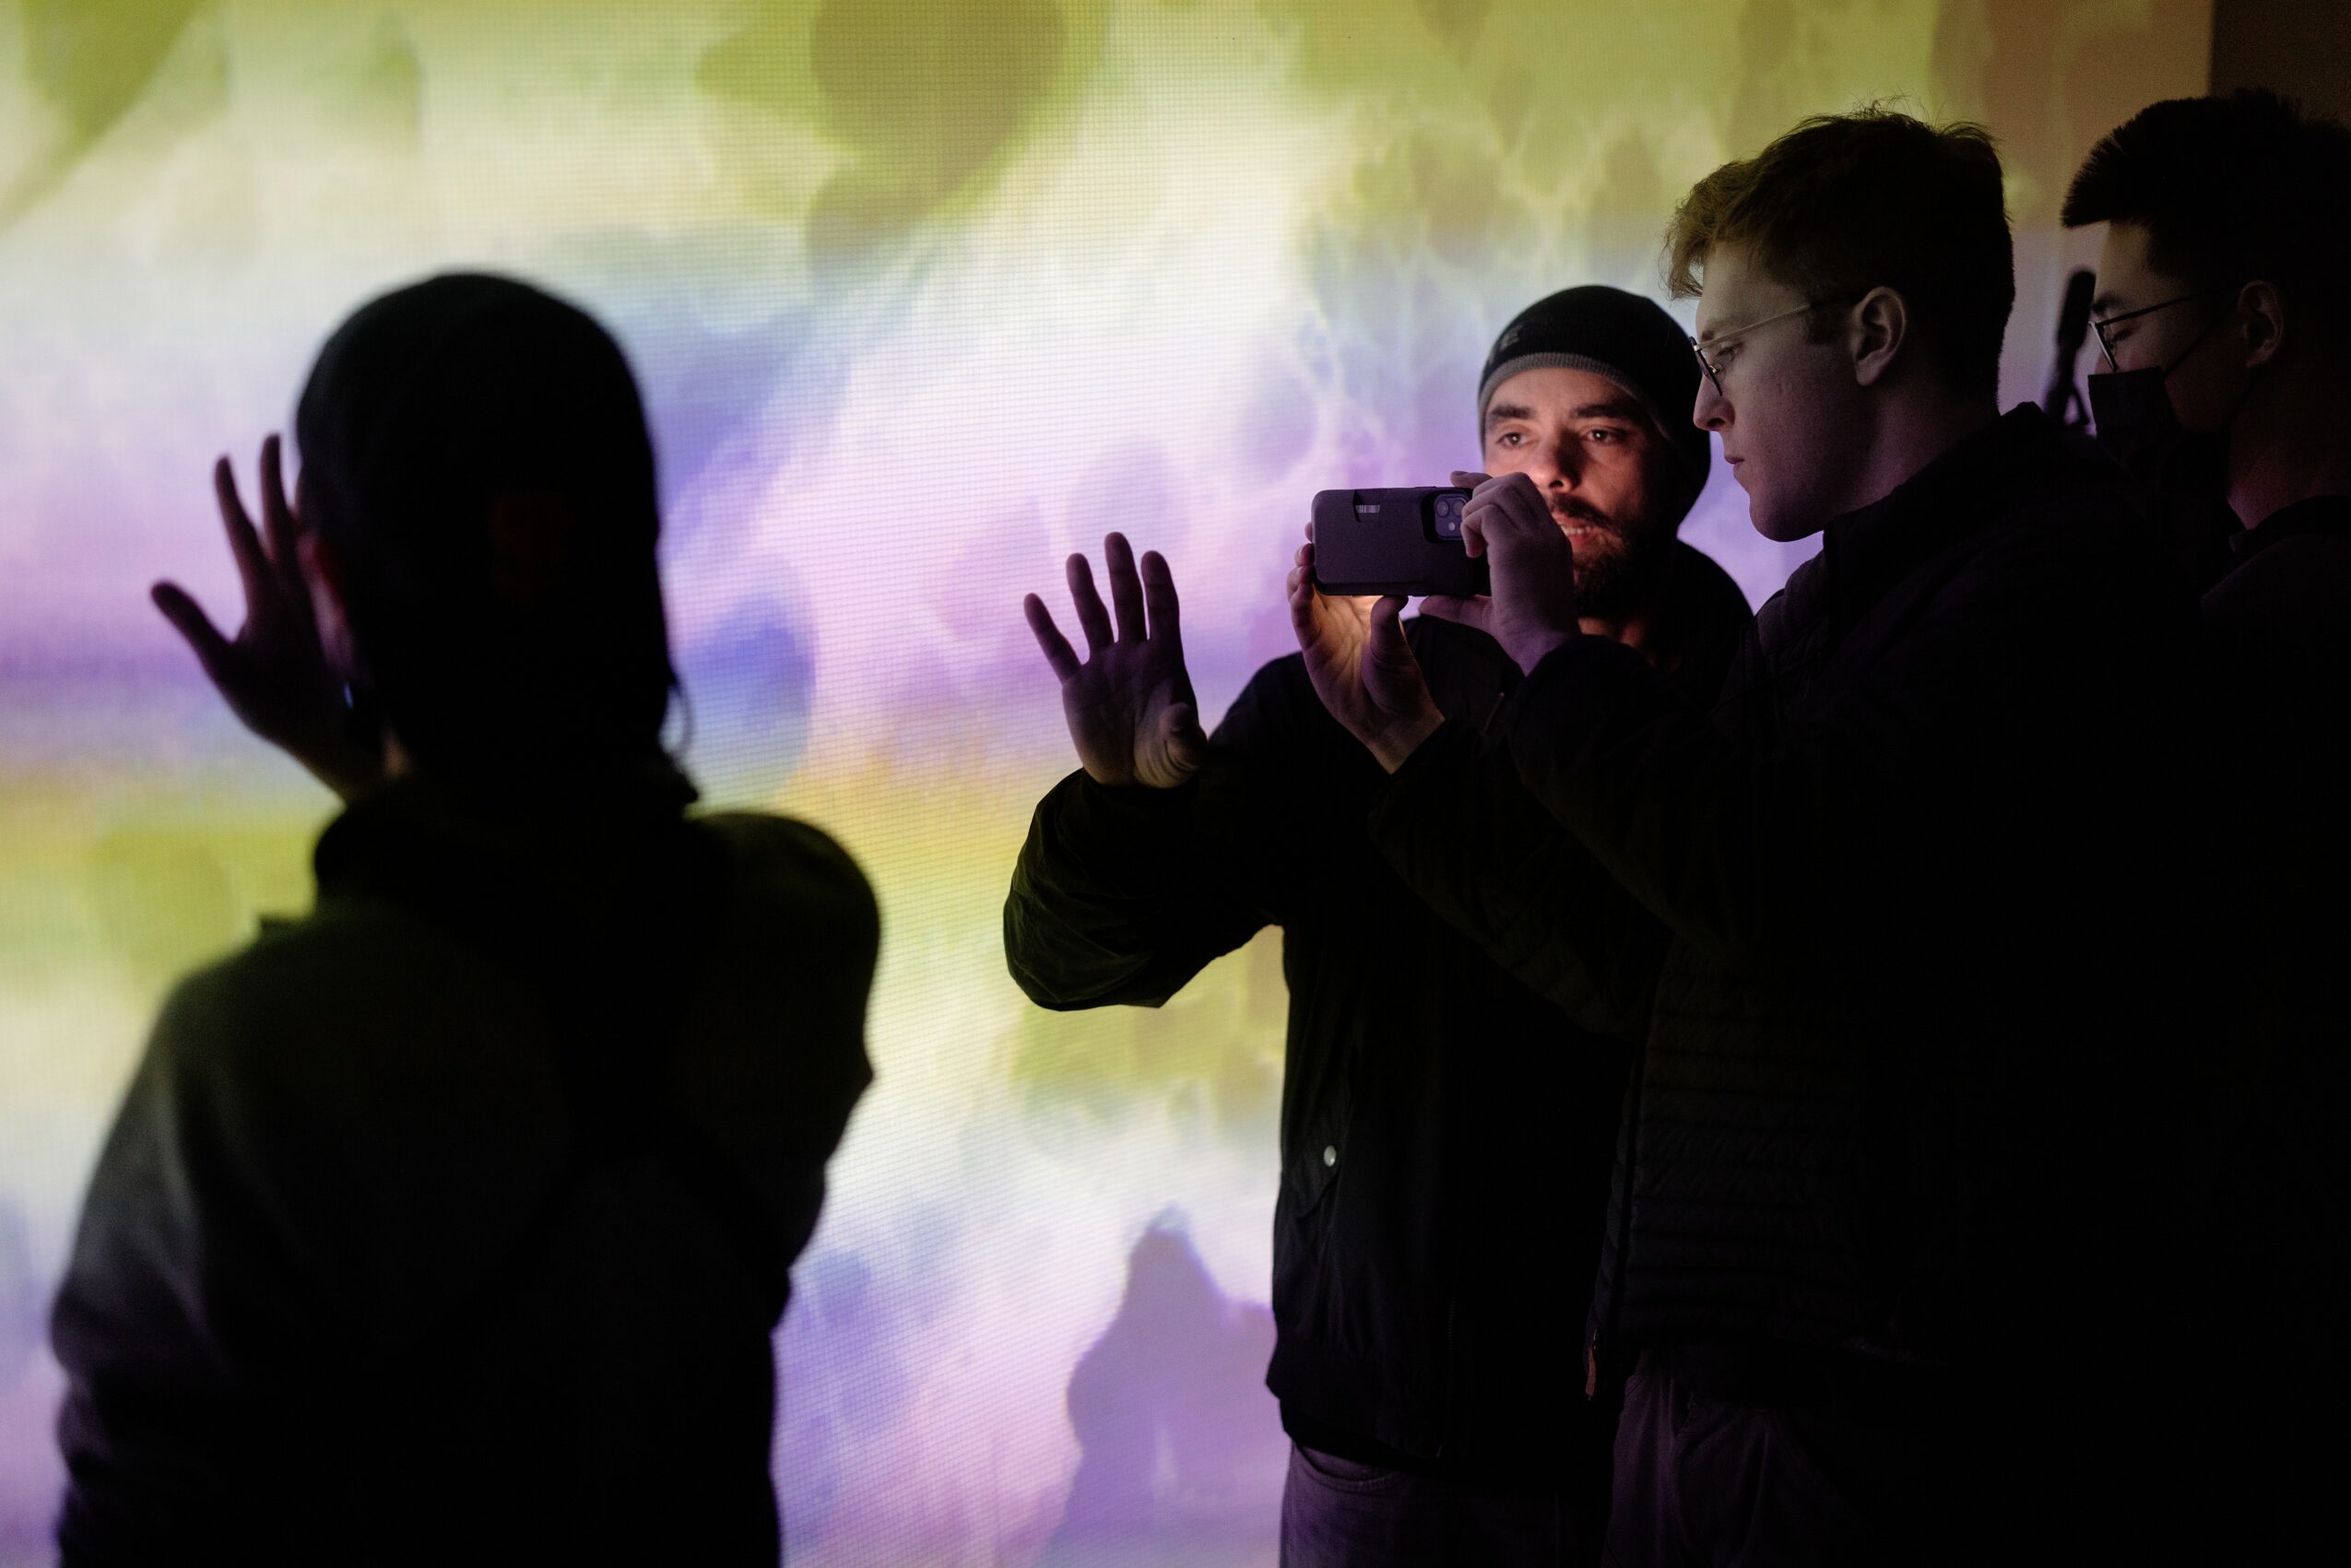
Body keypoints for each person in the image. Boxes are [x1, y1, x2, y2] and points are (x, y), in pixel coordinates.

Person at [1293, 109, 2220, 1562]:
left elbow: (1768, 876)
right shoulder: (1821, 616)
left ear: (1871, 334)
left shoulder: (2043, 582)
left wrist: (1548, 652)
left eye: (1721, 357)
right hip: (1728, 1386)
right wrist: (1404, 743)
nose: (1707, 407)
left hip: (1869, 1413)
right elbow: (1648, 972)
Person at [52, 275, 877, 1564]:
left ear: (325, 578)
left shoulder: (250, 1051)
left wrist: (343, 735)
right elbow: (567, 903)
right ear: (634, 550)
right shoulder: (801, 924)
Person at [1004, 286, 1752, 1566]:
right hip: (1373, 1423)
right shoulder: (1352, 691)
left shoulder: (1738, 706)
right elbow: (1070, 966)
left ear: (1682, 456)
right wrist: (1128, 803)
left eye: (1603, 433)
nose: (1548, 474)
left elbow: (1639, 990)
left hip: (1624, 1429)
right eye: (1512, 435)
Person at [2064, 88, 2351, 1556]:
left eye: (2119, 329)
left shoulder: (2264, 632)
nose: (2103, 373)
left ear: (2253, 322)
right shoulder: (2232, 598)